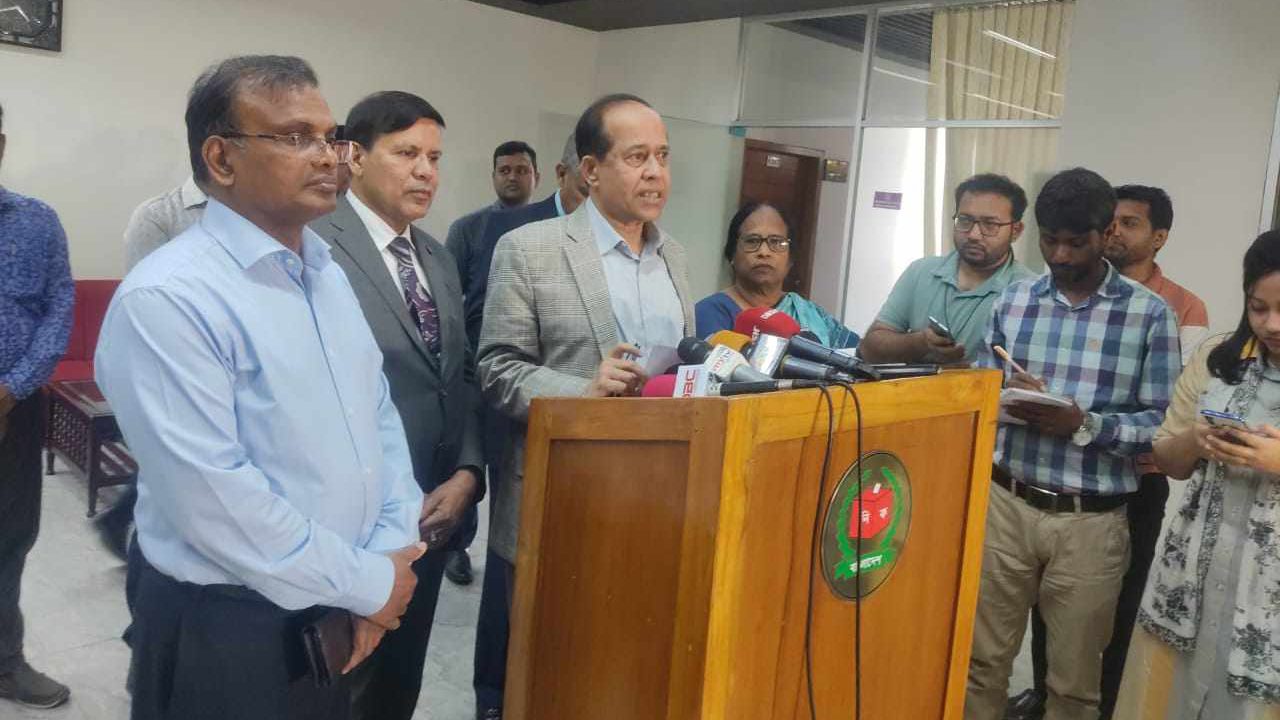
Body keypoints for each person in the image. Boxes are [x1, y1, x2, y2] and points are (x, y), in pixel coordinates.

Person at [95, 55, 426, 720]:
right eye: (296, 137)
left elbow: (377, 416)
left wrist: (389, 551)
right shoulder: (170, 296)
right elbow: (215, 500)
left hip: (336, 602)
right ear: (221, 159)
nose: (328, 156)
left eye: (331, 136)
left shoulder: (324, 272)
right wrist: (370, 582)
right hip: (226, 626)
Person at [476, 93, 694, 720]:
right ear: (591, 170)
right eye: (636, 157)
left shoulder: (674, 256)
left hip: (657, 503)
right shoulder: (530, 248)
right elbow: (496, 369)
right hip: (561, 500)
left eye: (662, 157)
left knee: (621, 674)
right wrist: (583, 392)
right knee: (547, 675)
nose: (655, 173)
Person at [964, 168, 1180, 720]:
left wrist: (1084, 423)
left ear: (1106, 233)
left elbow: (1162, 426)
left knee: (1074, 684)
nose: (1060, 255)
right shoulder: (1013, 301)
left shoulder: (1148, 315)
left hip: (1092, 521)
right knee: (980, 665)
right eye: (1049, 240)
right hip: (1006, 504)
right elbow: (980, 394)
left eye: (1075, 242)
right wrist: (1008, 398)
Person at [310, 89, 482, 720]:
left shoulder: (437, 257)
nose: (425, 172)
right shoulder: (313, 246)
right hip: (352, 522)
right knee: (340, 687)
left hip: (433, 515)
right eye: (407, 153)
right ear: (354, 156)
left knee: (398, 686)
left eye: (434, 158)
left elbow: (459, 374)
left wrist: (468, 473)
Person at [1010, 184, 1210, 720]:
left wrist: (1082, 421)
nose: (1117, 232)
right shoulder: (1030, 297)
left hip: (1118, 491)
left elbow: (1168, 416)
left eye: (1130, 224)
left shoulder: (1168, 309)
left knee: (1096, 637)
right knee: (1021, 629)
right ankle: (1038, 696)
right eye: (1050, 241)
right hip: (1029, 487)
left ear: (1155, 237)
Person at [1114, 229, 1280, 719]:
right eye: (1258, 308)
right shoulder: (1218, 358)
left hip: (1267, 590)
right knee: (1177, 695)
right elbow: (1168, 459)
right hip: (1194, 574)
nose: (1272, 324)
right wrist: (1197, 439)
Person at [464, 131, 589, 720]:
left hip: (601, 451)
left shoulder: (648, 248)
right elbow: (481, 329)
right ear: (568, 172)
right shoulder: (511, 231)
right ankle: (493, 695)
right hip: (519, 420)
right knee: (507, 571)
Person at [0, 100, 75, 711]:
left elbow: (59, 308)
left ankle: (4, 662)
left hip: (15, 410)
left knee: (10, 538)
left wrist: (14, 386)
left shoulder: (36, 221)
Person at [443, 139, 540, 587]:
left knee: (509, 463)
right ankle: (457, 548)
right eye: (505, 170)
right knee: (465, 461)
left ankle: (507, 551)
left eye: (521, 170)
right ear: (494, 176)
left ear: (537, 176)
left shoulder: (549, 230)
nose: (513, 177)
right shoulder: (468, 229)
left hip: (520, 365)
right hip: (471, 364)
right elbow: (449, 295)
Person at [861, 173, 1036, 364]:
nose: (974, 234)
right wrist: (919, 343)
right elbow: (868, 350)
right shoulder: (921, 271)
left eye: (990, 224)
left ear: (1016, 231)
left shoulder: (1029, 291)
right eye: (965, 220)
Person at [694, 201, 859, 348]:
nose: (764, 252)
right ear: (732, 255)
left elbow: (857, 356)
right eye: (752, 241)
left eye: (777, 242)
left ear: (790, 258)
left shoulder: (810, 314)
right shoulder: (709, 312)